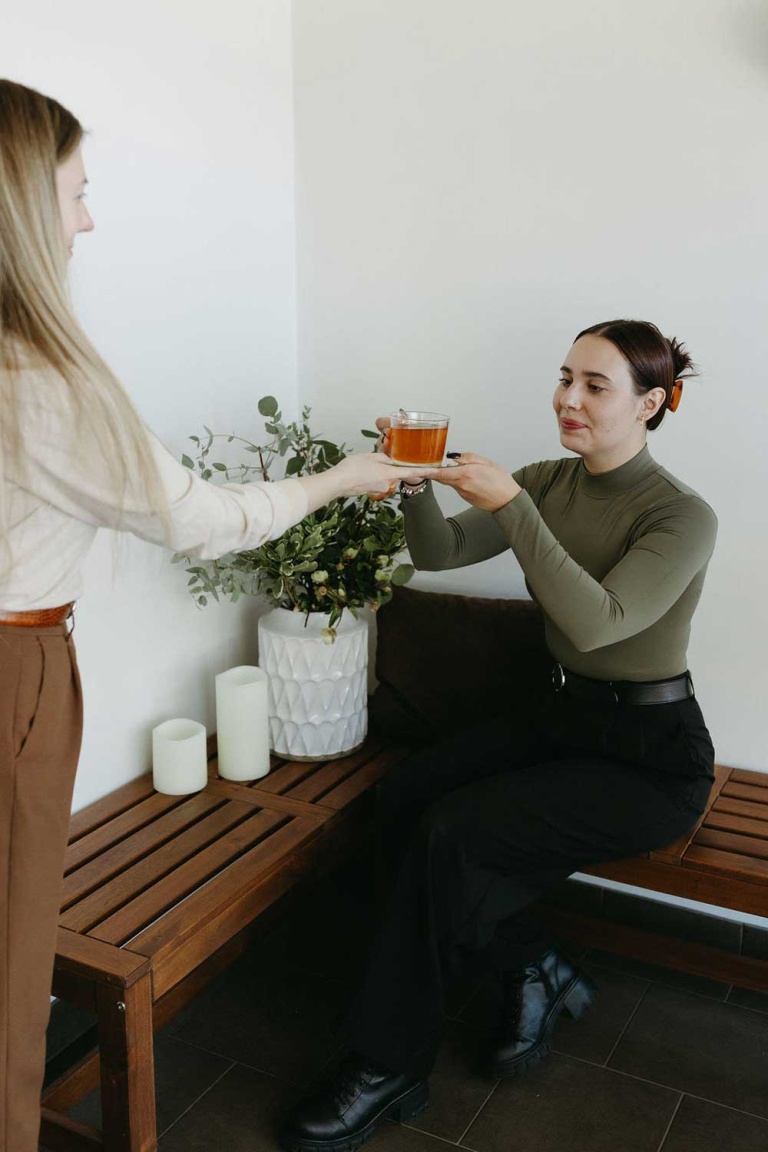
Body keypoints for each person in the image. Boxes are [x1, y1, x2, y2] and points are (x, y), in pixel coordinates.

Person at [0, 78, 419, 1152]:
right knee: (10, 975)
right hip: (14, 677)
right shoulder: (42, 381)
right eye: (79, 193)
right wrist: (342, 481)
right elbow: (209, 520)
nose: (90, 220)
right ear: (19, 203)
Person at [281, 319, 717, 1152]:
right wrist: (416, 487)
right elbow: (440, 553)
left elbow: (600, 624)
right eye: (565, 377)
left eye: (596, 385)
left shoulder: (681, 516)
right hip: (560, 718)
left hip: (649, 757)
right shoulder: (549, 479)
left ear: (651, 402)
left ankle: (387, 1064)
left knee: (455, 836)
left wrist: (515, 510)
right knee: (405, 796)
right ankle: (530, 964)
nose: (568, 398)